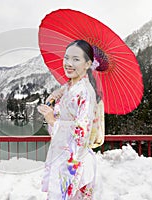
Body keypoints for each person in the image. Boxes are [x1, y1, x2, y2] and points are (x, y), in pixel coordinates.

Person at [37, 40, 104, 200]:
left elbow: (82, 132)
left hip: (75, 161)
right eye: (66, 58)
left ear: (88, 64)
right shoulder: (68, 88)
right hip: (62, 157)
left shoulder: (86, 92)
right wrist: (53, 101)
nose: (68, 63)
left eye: (76, 59)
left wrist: (53, 121)